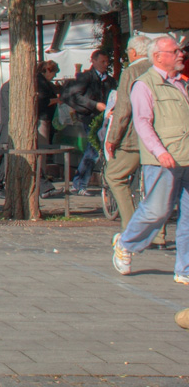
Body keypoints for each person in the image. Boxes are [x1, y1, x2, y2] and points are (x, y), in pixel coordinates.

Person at [111, 35, 189, 280]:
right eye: (175, 51)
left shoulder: (181, 83)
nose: (181, 55)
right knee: (157, 211)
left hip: (186, 155)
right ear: (158, 57)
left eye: (180, 51)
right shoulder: (145, 84)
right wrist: (160, 151)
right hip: (163, 159)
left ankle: (184, 269)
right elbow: (142, 123)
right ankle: (126, 243)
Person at [104, 36, 155, 229]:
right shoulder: (157, 70)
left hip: (135, 137)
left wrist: (112, 138)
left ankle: (132, 226)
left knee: (114, 175)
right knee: (154, 184)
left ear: (133, 52)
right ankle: (158, 234)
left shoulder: (132, 72)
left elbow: (124, 108)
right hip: (158, 137)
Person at [63, 48, 116, 195]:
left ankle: (80, 183)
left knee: (96, 149)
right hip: (90, 116)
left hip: (105, 116)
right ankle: (79, 183)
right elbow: (75, 96)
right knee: (93, 148)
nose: (105, 64)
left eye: (107, 62)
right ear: (93, 61)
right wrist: (94, 105)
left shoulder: (109, 80)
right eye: (102, 61)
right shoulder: (86, 77)